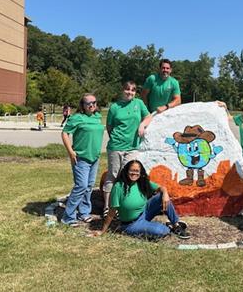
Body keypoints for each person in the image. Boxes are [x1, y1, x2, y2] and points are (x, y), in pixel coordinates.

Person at [95, 160, 190, 239]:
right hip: (131, 224)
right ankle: (167, 227)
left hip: (144, 213)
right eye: (131, 170)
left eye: (137, 171)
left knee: (162, 197)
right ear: (126, 171)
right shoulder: (118, 187)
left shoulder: (141, 182)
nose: (134, 173)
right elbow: (112, 211)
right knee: (161, 231)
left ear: (140, 173)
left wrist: (165, 194)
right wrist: (102, 231)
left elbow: (161, 188)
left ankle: (176, 225)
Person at [102, 81, 153, 219]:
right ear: (122, 90)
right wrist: (117, 139)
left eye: (133, 90)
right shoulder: (114, 107)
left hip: (132, 148)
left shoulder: (139, 104)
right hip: (116, 147)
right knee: (113, 175)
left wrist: (142, 125)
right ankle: (107, 207)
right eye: (127, 89)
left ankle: (123, 206)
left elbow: (148, 116)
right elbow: (109, 126)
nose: (130, 92)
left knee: (128, 177)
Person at [61, 93, 104, 226]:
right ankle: (68, 217)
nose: (92, 105)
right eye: (88, 103)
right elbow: (64, 133)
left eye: (94, 102)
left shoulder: (98, 117)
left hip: (94, 157)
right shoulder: (77, 118)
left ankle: (84, 212)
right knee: (81, 186)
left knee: (89, 186)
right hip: (81, 158)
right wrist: (71, 152)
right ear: (83, 105)